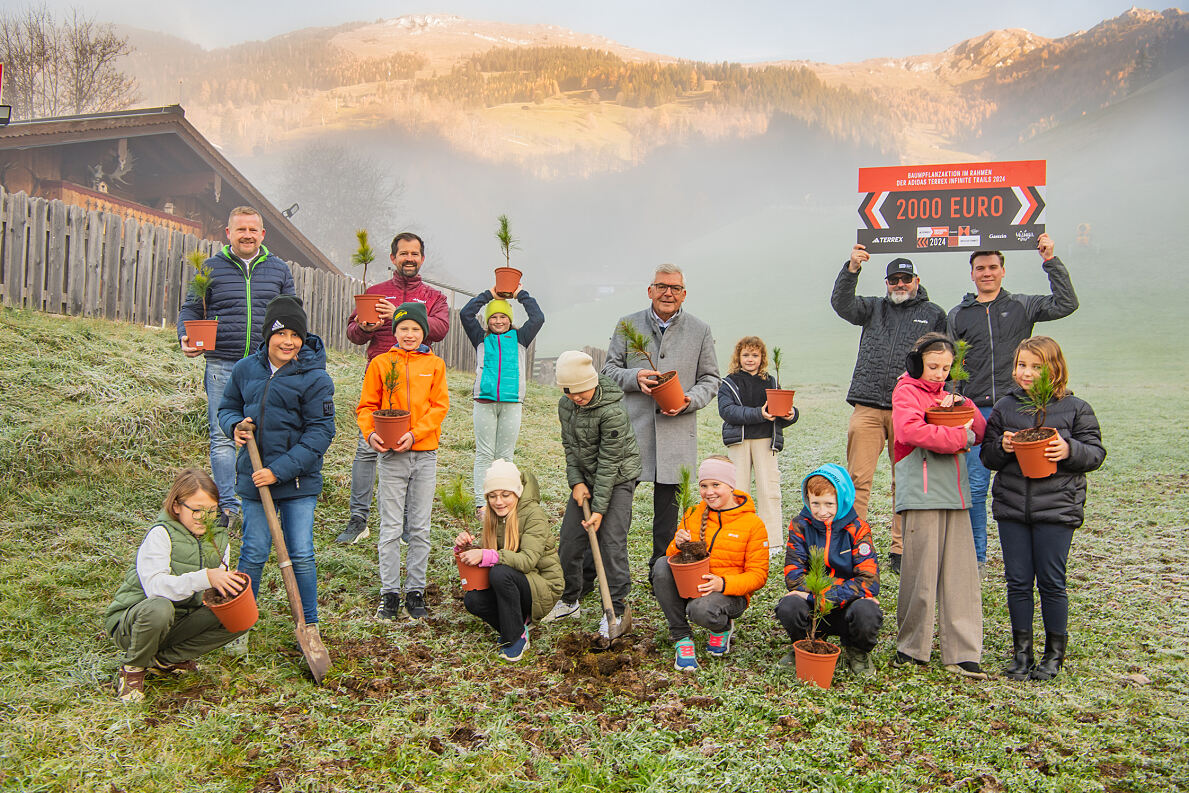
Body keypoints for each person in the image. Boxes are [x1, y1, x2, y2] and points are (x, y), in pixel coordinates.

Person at [948, 234, 1078, 571]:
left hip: (1017, 407)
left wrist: (1050, 260)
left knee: (1024, 482)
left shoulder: (1021, 304)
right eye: (980, 268)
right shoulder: (959, 314)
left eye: (993, 267)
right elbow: (952, 365)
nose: (987, 273)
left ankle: (1028, 556)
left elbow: (1066, 303)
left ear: (1003, 271)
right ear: (972, 274)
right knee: (975, 486)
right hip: (976, 411)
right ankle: (975, 557)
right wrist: (953, 400)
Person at [981, 336, 1105, 681]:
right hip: (1012, 509)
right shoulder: (1006, 407)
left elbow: (1095, 453)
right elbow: (987, 456)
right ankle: (1022, 654)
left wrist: (1069, 450)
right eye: (1022, 365)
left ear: (1054, 368)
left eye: (1036, 366)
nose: (1027, 372)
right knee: (1017, 581)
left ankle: (1054, 654)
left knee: (1052, 581)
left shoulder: (1076, 408)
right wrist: (1003, 446)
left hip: (1057, 509)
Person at [218, 295, 335, 645]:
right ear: (267, 335)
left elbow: (321, 432)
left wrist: (279, 471)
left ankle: (309, 626)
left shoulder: (315, 378)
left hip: (298, 482)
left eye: (295, 335)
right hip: (254, 479)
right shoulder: (245, 370)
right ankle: (241, 624)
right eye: (281, 333)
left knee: (300, 552)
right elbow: (227, 407)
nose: (288, 342)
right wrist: (234, 426)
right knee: (253, 551)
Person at [831, 247, 947, 574]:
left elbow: (944, 359)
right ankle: (853, 545)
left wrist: (942, 396)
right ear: (886, 282)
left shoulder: (934, 313)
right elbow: (841, 304)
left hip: (908, 407)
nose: (900, 284)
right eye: (894, 279)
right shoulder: (872, 308)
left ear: (916, 281)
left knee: (905, 480)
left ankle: (901, 548)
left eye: (905, 279)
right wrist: (852, 268)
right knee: (857, 479)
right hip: (867, 405)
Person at [178, 206, 295, 526]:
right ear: (228, 233)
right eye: (240, 229)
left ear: (262, 234)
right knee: (223, 437)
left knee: (272, 435)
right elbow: (190, 309)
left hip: (265, 366)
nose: (247, 235)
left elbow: (292, 314)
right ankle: (228, 506)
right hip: (222, 364)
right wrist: (185, 337)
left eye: (252, 230)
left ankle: (266, 500)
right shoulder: (211, 268)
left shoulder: (279, 269)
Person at [603, 264, 720, 577]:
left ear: (683, 295)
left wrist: (688, 401)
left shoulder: (700, 329)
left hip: (676, 434)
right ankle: (609, 572)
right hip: (632, 433)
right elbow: (608, 371)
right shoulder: (627, 324)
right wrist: (634, 377)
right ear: (650, 291)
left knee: (667, 517)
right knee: (616, 510)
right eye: (662, 286)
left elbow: (710, 378)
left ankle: (661, 574)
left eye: (675, 288)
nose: (668, 293)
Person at [338, 233, 450, 545]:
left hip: (418, 380)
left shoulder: (433, 297)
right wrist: (366, 326)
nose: (409, 258)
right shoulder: (375, 293)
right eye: (403, 253)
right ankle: (358, 519)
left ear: (422, 259)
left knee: (407, 446)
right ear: (393, 258)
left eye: (415, 253)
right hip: (380, 372)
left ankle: (402, 523)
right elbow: (353, 333)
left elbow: (440, 328)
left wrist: (401, 313)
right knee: (366, 448)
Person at [105, 469, 248, 702]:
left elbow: (215, 584)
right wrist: (206, 577)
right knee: (160, 607)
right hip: (136, 623)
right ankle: (133, 669)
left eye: (212, 511)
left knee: (239, 617)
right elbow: (155, 588)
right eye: (197, 510)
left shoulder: (219, 539)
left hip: (179, 622)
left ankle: (163, 660)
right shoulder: (161, 534)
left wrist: (227, 590)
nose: (205, 518)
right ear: (177, 506)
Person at [891, 332, 987, 678]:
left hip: (956, 494)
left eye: (946, 368)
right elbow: (909, 432)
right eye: (933, 366)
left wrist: (962, 407)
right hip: (922, 492)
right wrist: (960, 437)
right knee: (920, 573)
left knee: (961, 575)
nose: (939, 374)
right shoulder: (905, 392)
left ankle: (962, 652)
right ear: (916, 363)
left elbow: (981, 428)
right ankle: (912, 648)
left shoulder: (951, 395)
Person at [357, 302, 449, 621]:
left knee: (420, 526)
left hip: (424, 454)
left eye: (415, 329)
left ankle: (416, 590)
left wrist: (415, 433)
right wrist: (371, 435)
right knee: (391, 526)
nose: (409, 334)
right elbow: (367, 406)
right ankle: (389, 592)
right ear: (394, 331)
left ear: (424, 332)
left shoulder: (435, 365)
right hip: (391, 456)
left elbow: (439, 407)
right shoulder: (382, 363)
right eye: (403, 328)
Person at [545, 350, 641, 637]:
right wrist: (576, 482)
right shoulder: (566, 405)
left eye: (580, 391)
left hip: (619, 477)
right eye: (569, 392)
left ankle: (615, 608)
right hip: (586, 478)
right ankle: (569, 599)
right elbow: (570, 447)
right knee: (571, 541)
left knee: (611, 543)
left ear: (593, 381)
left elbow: (610, 463)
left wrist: (598, 510)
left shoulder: (612, 410)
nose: (576, 397)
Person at [652, 456, 769, 672]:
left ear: (731, 486)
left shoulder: (752, 524)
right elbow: (673, 558)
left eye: (716, 485)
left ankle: (722, 627)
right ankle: (682, 637)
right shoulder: (694, 513)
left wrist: (722, 584)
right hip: (693, 585)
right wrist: (677, 545)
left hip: (728, 594)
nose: (709, 492)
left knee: (701, 610)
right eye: (704, 485)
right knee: (661, 566)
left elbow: (758, 575)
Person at [775, 465, 882, 677]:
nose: (822, 512)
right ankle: (804, 644)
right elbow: (793, 576)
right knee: (790, 605)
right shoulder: (800, 526)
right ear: (807, 500)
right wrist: (815, 596)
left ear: (842, 500)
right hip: (813, 609)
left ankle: (857, 650)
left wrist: (820, 596)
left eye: (829, 504)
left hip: (846, 607)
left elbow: (869, 580)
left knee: (867, 611)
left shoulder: (858, 528)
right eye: (815, 503)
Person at [454, 460, 563, 662]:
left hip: (543, 587)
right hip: (516, 582)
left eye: (505, 495)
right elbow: (486, 555)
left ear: (517, 493)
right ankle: (517, 624)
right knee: (473, 600)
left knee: (500, 572)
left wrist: (486, 555)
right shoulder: (494, 516)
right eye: (492, 496)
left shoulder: (533, 515)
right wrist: (465, 548)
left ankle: (515, 638)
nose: (499, 502)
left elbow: (527, 561)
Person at [459, 285, 545, 515]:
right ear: (487, 321)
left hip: (512, 402)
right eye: (493, 317)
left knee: (505, 455)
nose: (498, 321)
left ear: (510, 319)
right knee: (485, 454)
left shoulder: (520, 338)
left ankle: (505, 502)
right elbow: (465, 314)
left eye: (503, 316)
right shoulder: (480, 338)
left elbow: (538, 317)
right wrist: (489, 295)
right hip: (484, 402)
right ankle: (482, 504)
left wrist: (520, 295)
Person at [718, 336, 799, 553]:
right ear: (738, 357)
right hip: (739, 441)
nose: (750, 359)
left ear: (762, 357)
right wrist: (759, 414)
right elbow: (727, 411)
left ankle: (772, 542)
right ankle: (738, 538)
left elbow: (783, 409)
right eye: (746, 355)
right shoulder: (729, 382)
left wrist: (792, 414)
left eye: (755, 355)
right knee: (738, 489)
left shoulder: (771, 382)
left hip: (765, 440)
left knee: (769, 489)